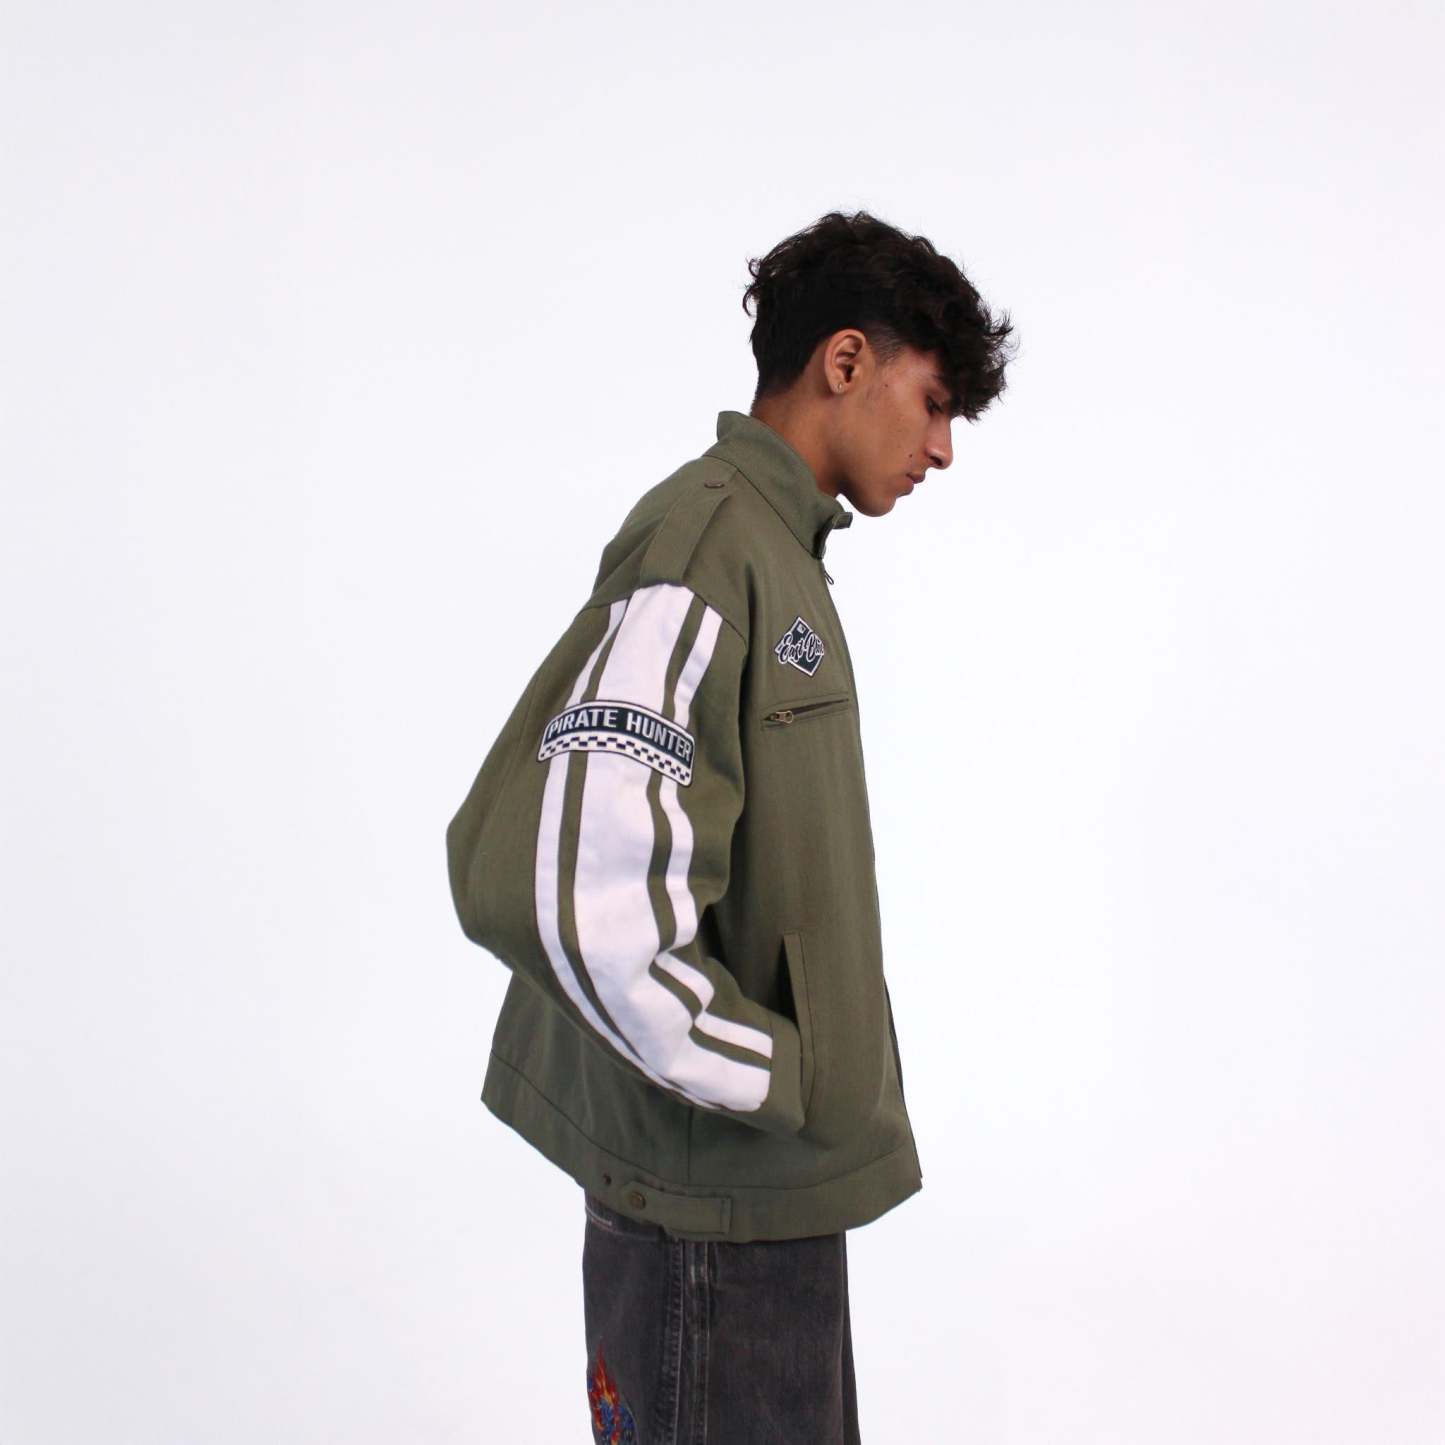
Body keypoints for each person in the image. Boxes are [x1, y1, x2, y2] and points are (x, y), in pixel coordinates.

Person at [444, 208, 1014, 1443]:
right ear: (844, 360)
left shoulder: (773, 549)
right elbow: (580, 897)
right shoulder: (706, 549)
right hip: (710, 1226)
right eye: (932, 403)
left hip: (755, 1201)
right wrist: (783, 1075)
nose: (941, 447)